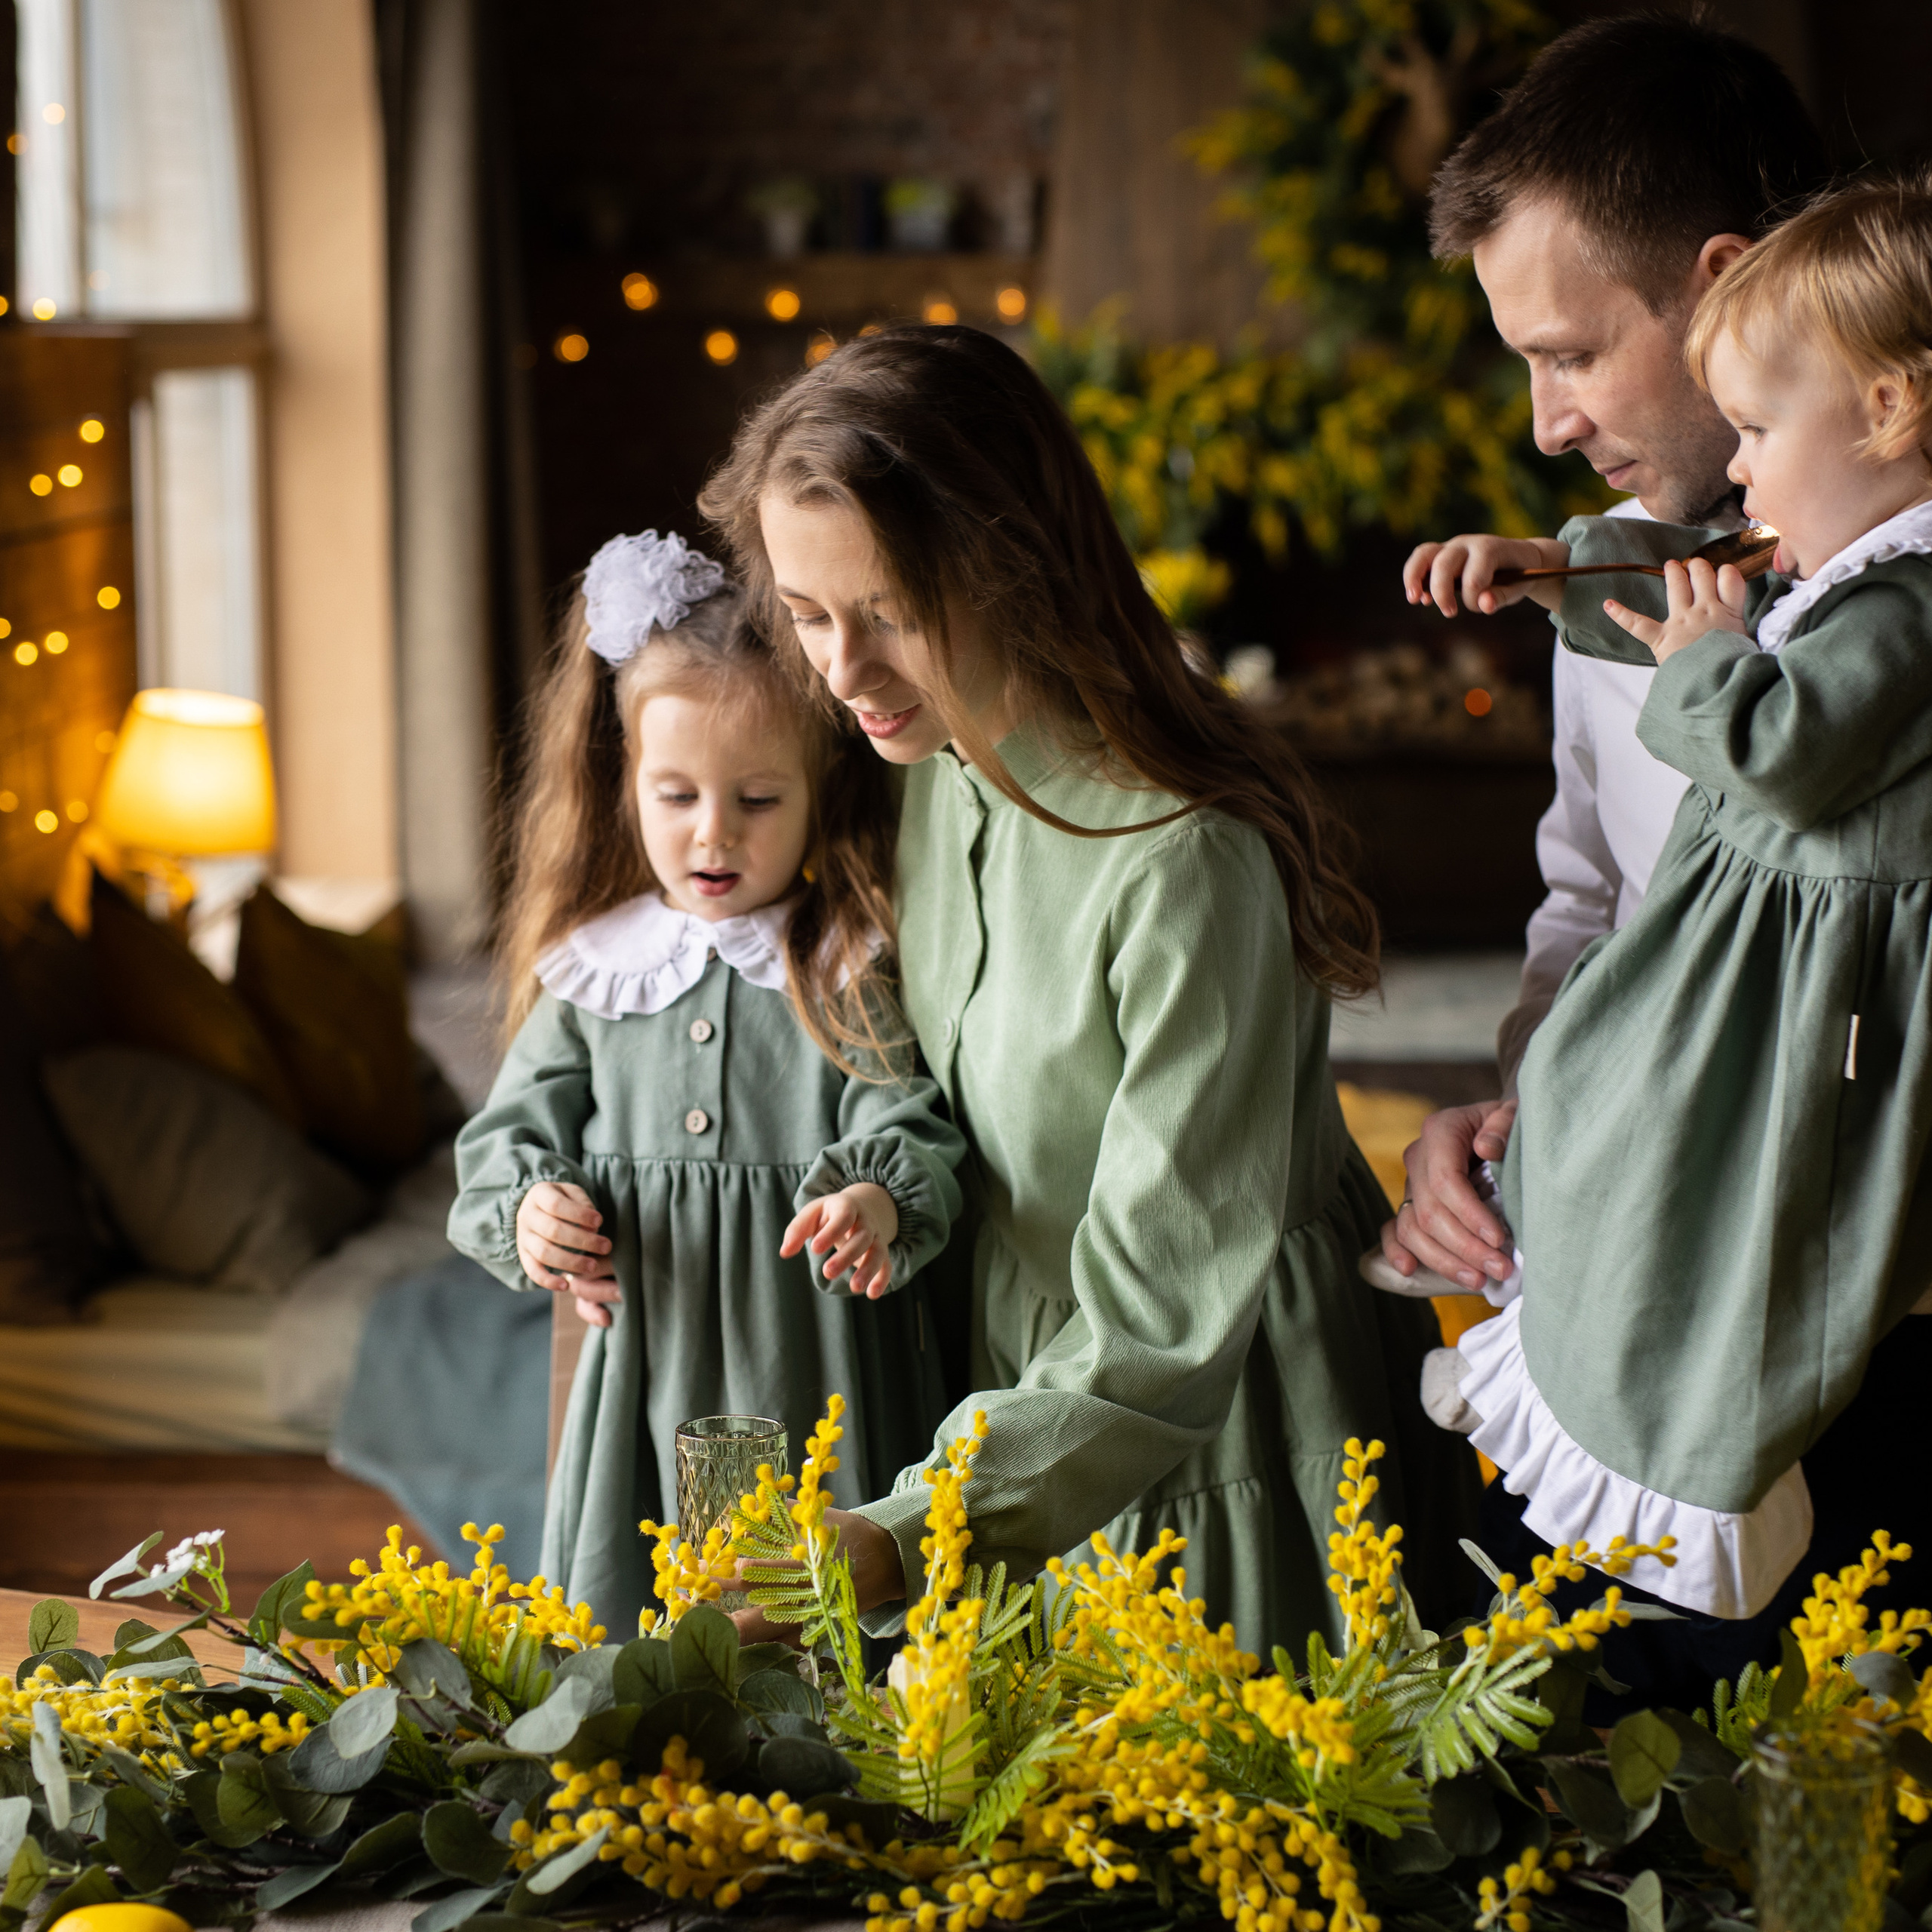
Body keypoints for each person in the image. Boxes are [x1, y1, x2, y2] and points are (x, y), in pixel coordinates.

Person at [700, 324, 1483, 1654]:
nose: (841, 670)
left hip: (1219, 1418)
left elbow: (1164, 1318)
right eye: (811, 614)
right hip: (1016, 1417)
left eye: (889, 612)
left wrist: (900, 1531)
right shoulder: (930, 767)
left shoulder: (1187, 862)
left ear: (1018, 567)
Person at [1383, 177, 1932, 1650]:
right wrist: (1555, 575)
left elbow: (1773, 716)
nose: (1542, 416)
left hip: (1799, 1099)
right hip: (1654, 1079)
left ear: (1881, 408)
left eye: (1565, 352)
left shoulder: (1900, 595)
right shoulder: (1815, 544)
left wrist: (1699, 664)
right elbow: (1706, 592)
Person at [1378, 14, 1827, 1298]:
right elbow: (1590, 907)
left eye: (1570, 356)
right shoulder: (1610, 571)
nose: (1547, 425)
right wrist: (1514, 1119)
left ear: (1727, 285)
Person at [448, 531, 964, 1638]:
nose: (713, 833)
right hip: (651, 1368)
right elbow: (504, 1143)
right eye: (676, 794)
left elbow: (909, 1121)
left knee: (804, 1616)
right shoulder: (596, 974)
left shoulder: (841, 965)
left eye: (759, 800)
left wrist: (876, 1202)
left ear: (821, 789)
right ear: (626, 782)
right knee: (652, 1615)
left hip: (811, 1359)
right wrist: (535, 1208)